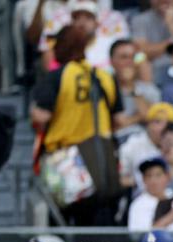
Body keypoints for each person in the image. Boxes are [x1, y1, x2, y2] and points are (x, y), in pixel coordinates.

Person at [31, 24, 124, 226]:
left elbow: (41, 117)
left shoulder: (58, 76)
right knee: (98, 223)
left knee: (61, 223)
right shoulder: (105, 76)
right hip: (102, 159)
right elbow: (118, 120)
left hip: (65, 160)